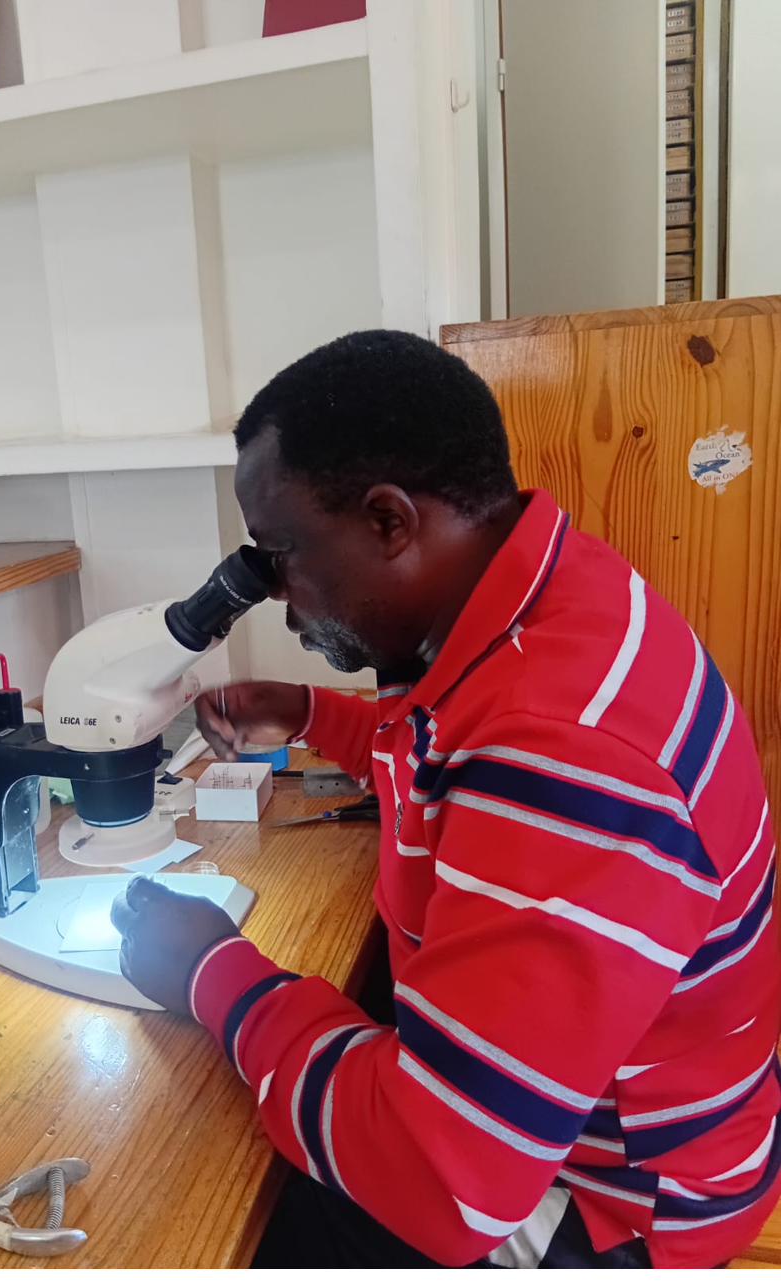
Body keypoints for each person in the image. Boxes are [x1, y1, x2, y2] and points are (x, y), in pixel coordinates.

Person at [111, 330, 781, 1268]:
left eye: (283, 554)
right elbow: (447, 749)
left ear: (391, 521)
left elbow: (444, 1183)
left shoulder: (567, 763)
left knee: (225, 1224)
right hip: (611, 1117)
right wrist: (312, 714)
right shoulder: (543, 600)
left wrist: (211, 973)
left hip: (619, 1205)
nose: (284, 606)